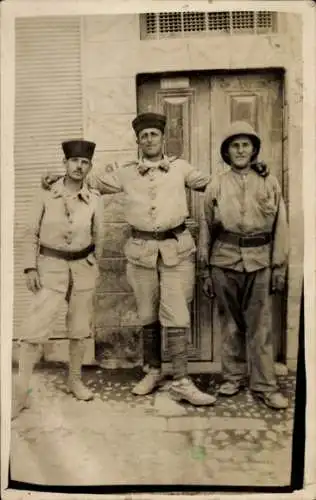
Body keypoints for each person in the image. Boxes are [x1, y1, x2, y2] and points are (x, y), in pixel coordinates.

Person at [42, 112, 216, 406]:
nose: (149, 139)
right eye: (144, 135)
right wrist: (57, 177)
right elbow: (88, 181)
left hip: (177, 249)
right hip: (141, 252)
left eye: (154, 134)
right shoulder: (125, 172)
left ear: (163, 138)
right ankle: (152, 371)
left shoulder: (180, 168)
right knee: (147, 313)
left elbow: (212, 186)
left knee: (176, 314)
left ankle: (182, 381)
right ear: (138, 141)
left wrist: (250, 172)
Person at [198, 121, 289, 410]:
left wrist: (279, 267)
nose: (240, 150)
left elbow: (281, 226)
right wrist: (205, 271)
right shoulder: (216, 184)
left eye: (245, 145)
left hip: (260, 261)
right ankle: (233, 377)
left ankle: (265, 385)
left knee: (260, 326)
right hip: (223, 261)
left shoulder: (269, 182)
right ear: (227, 151)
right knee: (230, 325)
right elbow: (205, 228)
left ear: (253, 150)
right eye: (234, 145)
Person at [12, 140, 103, 420]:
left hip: (83, 268)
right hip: (50, 267)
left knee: (79, 329)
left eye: (85, 162)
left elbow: (100, 234)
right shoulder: (45, 195)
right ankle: (21, 392)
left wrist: (93, 264)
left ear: (89, 166)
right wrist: (30, 267)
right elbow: (30, 233)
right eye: (74, 161)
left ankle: (74, 380)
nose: (79, 166)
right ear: (64, 163)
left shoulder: (94, 198)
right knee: (33, 332)